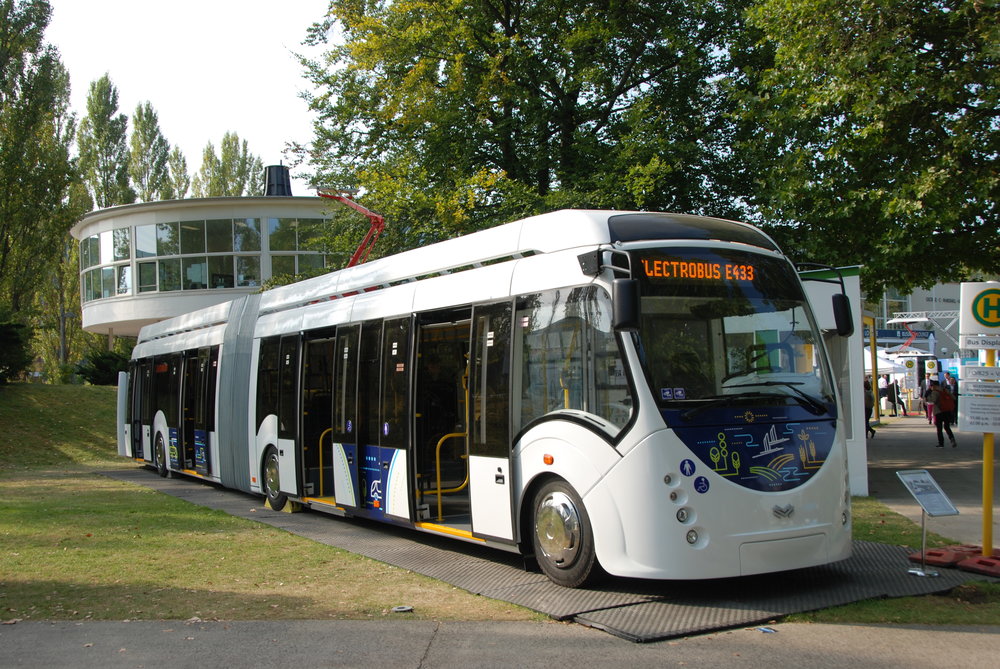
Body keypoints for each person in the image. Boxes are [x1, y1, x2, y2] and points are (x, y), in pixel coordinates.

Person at [926, 380, 956, 448]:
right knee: (947, 427)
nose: (931, 387)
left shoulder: (935, 392)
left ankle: (941, 443)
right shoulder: (945, 390)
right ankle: (952, 439)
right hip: (947, 411)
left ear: (934, 386)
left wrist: (928, 396)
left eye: (931, 386)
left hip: (939, 411)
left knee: (939, 428)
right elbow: (954, 398)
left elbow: (932, 400)